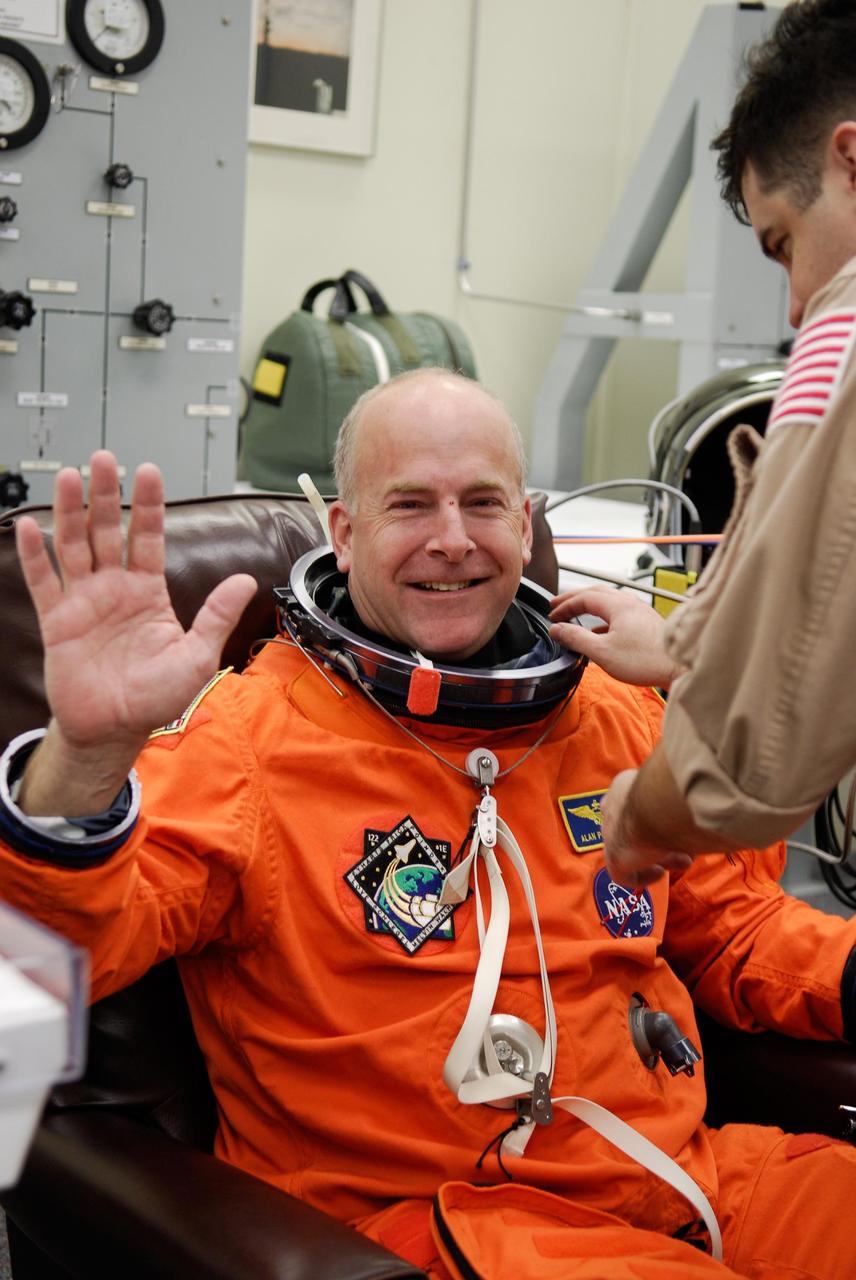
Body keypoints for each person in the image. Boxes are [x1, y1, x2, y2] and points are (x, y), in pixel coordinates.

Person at [2, 368, 856, 1280]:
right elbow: (43, 963)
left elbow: (735, 928)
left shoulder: (611, 708)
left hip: (687, 1182)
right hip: (443, 1227)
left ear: (525, 525)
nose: (452, 540)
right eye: (410, 505)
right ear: (344, 529)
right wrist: (88, 758)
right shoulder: (253, 742)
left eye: (482, 503)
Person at [551, 0, 856, 889]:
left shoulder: (842, 327)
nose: (795, 304)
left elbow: (746, 761)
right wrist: (689, 645)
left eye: (784, 244)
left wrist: (643, 814)